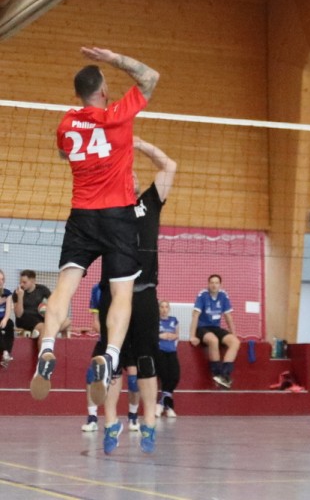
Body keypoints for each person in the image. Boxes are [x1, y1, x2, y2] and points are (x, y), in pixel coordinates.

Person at [30, 47, 160, 405]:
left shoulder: (67, 123)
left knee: (65, 287)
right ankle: (111, 357)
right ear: (102, 90)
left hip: (82, 217)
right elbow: (150, 77)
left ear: (78, 94)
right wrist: (112, 58)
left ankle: (47, 347)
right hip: (118, 217)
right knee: (121, 294)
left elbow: (64, 152)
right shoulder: (117, 115)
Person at [100, 137, 177, 454]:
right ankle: (109, 423)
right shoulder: (106, 209)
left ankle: (149, 422)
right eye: (124, 173)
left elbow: (170, 166)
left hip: (144, 294)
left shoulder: (150, 201)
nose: (130, 176)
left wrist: (141, 144)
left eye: (133, 173)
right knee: (112, 361)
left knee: (146, 360)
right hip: (114, 292)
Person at [189, 274, 240, 389]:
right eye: (211, 282)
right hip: (202, 328)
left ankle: (224, 375)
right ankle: (216, 373)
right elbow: (195, 315)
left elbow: (228, 316)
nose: (214, 285)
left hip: (215, 328)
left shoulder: (223, 295)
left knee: (235, 342)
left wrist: (233, 334)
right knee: (213, 340)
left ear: (220, 285)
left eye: (216, 283)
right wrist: (192, 336)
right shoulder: (202, 295)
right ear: (208, 284)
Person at [12, 270, 67, 347]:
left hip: (41, 318)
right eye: (20, 282)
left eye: (24, 282)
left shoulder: (42, 290)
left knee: (67, 323)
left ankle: (65, 349)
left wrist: (48, 311)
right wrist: (20, 297)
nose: (21, 284)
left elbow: (53, 303)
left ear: (33, 281)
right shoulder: (17, 292)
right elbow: (18, 314)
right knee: (44, 328)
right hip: (25, 319)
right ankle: (42, 353)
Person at [81, 282, 102, 432]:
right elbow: (95, 323)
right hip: (105, 340)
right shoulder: (97, 289)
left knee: (134, 379)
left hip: (126, 340)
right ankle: (92, 418)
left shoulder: (126, 285)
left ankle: (133, 417)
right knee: (91, 375)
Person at [155, 300, 180, 418]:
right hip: (160, 351)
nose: (164, 309)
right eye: (162, 307)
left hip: (172, 351)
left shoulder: (174, 320)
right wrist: (161, 335)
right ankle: (168, 406)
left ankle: (161, 403)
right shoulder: (155, 320)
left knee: (175, 376)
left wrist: (173, 336)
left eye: (166, 307)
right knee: (164, 376)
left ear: (169, 309)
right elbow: (150, 335)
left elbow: (177, 335)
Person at [0, 269, 14, 367]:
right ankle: (4, 350)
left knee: (10, 323)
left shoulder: (7, 293)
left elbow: (8, 309)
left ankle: (7, 353)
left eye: (2, 279)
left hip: (2, 318)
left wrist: (5, 319)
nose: (1, 282)